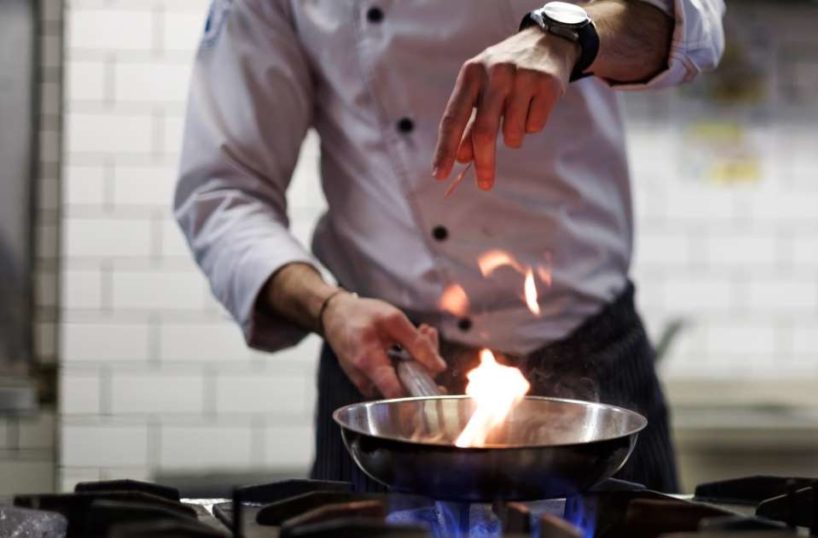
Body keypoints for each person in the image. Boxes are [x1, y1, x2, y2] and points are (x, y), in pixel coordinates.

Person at [175, 0, 725, 493]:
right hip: (386, 377)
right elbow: (224, 192)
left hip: (594, 365)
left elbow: (693, 20)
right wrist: (328, 307)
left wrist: (567, 34)